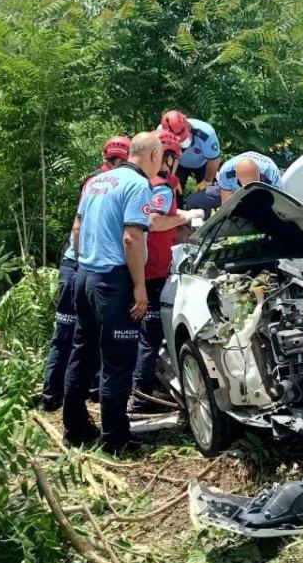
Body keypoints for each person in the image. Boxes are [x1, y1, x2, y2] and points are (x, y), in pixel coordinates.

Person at [60, 131, 162, 454]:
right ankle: (116, 439)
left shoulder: (97, 182)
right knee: (118, 360)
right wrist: (139, 286)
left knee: (83, 352)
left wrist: (83, 264)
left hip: (84, 276)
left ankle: (74, 428)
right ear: (154, 157)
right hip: (112, 281)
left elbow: (76, 228)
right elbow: (132, 238)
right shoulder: (137, 185)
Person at [39, 136, 131, 411]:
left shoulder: (97, 183)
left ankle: (78, 393)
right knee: (69, 334)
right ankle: (53, 395)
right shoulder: (101, 183)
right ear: (119, 160)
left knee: (84, 337)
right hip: (80, 267)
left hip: (81, 267)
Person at [131, 131, 195, 414]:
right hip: (155, 271)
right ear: (167, 158)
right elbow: (155, 222)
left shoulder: (146, 184)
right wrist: (185, 217)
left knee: (141, 335)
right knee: (151, 336)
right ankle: (143, 399)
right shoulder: (162, 187)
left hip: (143, 268)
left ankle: (141, 389)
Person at [161, 110, 221, 188]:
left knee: (206, 192)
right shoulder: (162, 132)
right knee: (174, 189)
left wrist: (206, 182)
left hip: (202, 165)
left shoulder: (207, 134)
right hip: (179, 164)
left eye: (183, 139)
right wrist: (170, 178)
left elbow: (214, 161)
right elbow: (164, 157)